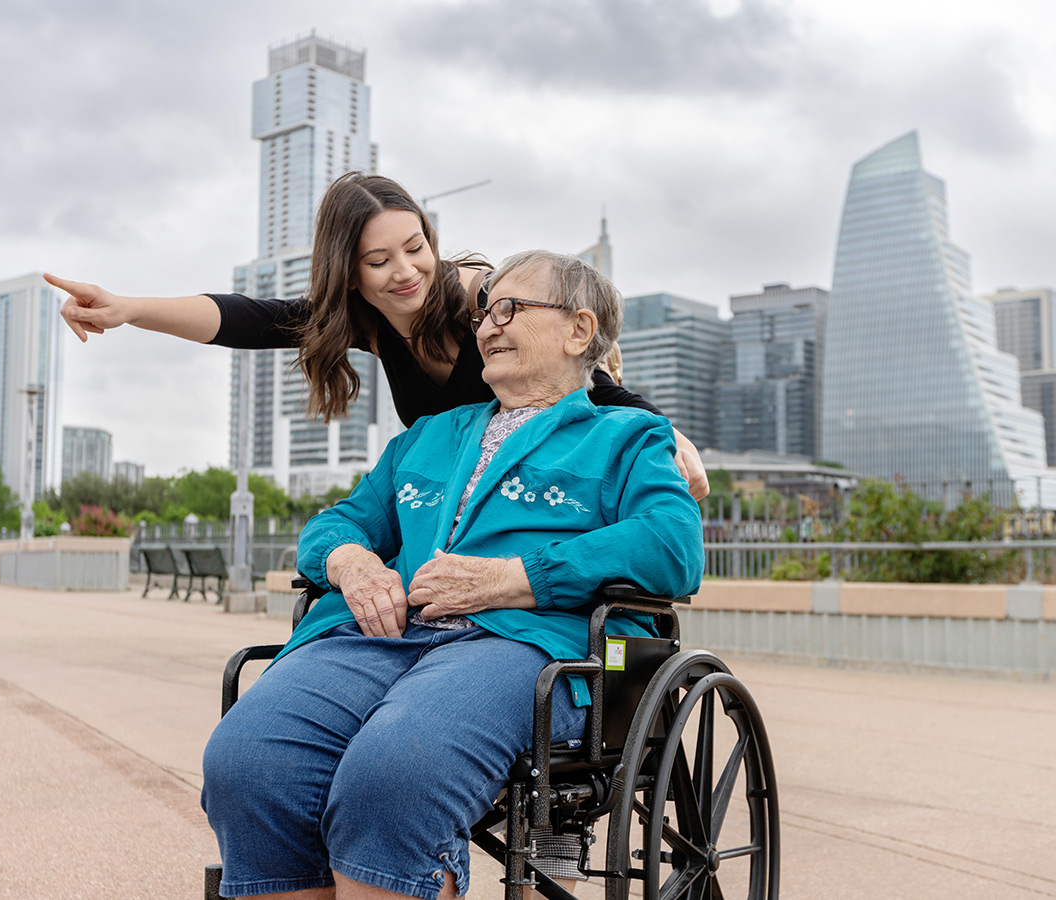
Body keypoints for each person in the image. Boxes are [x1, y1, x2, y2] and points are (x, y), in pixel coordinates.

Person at [200, 250, 704, 900]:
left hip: (532, 646)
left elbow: (671, 543)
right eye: (486, 312)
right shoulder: (428, 437)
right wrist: (349, 561)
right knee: (249, 760)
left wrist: (514, 578)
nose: (488, 325)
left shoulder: (629, 437)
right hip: (389, 637)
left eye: (511, 309)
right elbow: (339, 523)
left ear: (580, 330)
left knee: (398, 768)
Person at [43, 172, 708, 499]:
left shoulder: (479, 295)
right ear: (350, 272)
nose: (405, 272)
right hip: (455, 502)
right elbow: (243, 318)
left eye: (415, 247)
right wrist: (129, 308)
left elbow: (587, 377)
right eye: (378, 260)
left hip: (538, 487)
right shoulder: (366, 323)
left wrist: (665, 430)